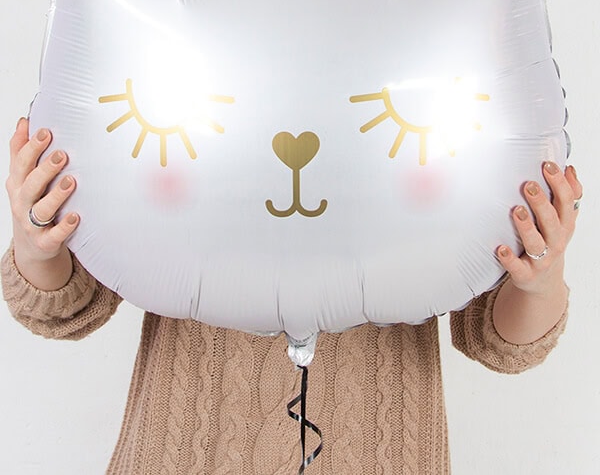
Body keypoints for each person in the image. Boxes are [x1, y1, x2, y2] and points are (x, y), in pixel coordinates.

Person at [2, 117, 582, 474]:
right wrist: (37, 243)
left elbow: (496, 341)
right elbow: (70, 306)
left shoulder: (417, 99)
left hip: (384, 457)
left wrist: (540, 273)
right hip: (182, 454)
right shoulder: (188, 84)